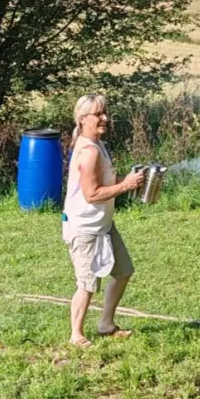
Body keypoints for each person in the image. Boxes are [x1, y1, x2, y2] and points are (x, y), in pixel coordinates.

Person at [63, 93, 144, 346]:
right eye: (98, 114)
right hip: (85, 228)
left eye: (105, 113)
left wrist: (130, 180)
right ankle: (76, 335)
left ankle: (106, 325)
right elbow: (92, 194)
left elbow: (105, 181)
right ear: (82, 119)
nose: (105, 118)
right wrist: (126, 186)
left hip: (104, 225)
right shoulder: (89, 151)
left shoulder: (99, 145)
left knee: (123, 272)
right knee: (87, 285)